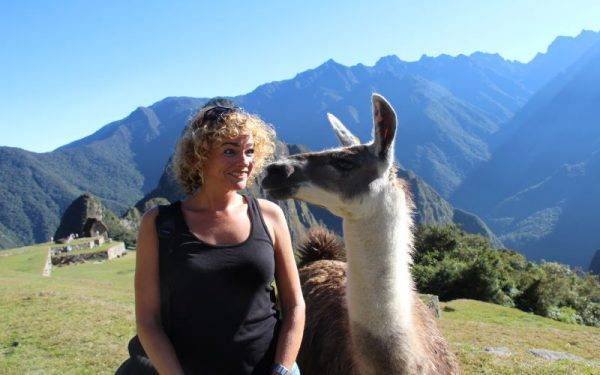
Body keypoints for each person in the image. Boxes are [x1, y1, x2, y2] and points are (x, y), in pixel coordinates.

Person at [134, 100, 305, 374]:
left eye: (250, 151)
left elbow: (294, 304)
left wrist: (282, 369)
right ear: (197, 157)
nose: (244, 161)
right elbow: (148, 320)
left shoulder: (270, 216)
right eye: (230, 151)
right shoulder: (159, 224)